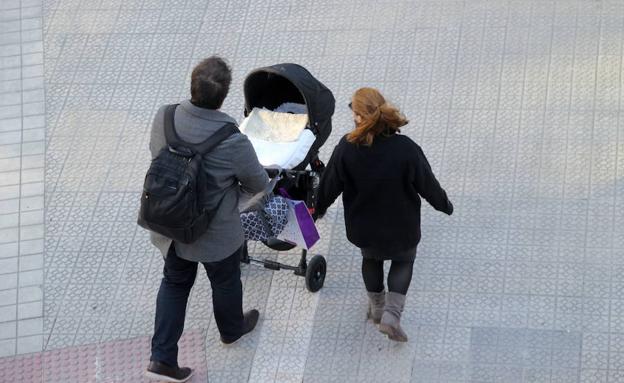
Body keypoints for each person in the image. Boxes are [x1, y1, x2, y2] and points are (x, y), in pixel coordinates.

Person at [144, 56, 269, 382]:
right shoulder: (232, 139)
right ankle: (231, 330)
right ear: (224, 96)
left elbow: (156, 152)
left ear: (192, 85)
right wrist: (232, 197)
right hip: (215, 235)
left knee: (174, 284)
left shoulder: (165, 116)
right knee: (225, 281)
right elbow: (258, 184)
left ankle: (162, 359)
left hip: (171, 226)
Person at [315, 87, 453, 342]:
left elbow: (329, 185)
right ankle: (392, 314)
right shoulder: (406, 148)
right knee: (403, 261)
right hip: (401, 226)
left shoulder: (346, 148)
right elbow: (427, 184)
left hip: (364, 228)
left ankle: (377, 308)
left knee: (371, 260)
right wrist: (444, 205)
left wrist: (318, 209)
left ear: (358, 117)